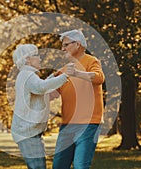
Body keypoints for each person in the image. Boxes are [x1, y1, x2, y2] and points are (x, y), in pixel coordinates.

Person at [52, 29, 105, 169]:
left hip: (88, 124)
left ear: (78, 44)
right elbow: (51, 94)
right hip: (67, 125)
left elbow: (99, 78)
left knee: (80, 165)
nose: (62, 49)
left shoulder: (91, 61)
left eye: (66, 45)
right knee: (58, 165)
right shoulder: (63, 70)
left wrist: (77, 73)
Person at [11, 44, 70, 169]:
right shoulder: (27, 75)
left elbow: (41, 87)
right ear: (27, 59)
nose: (40, 58)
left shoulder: (28, 75)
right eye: (36, 55)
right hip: (27, 132)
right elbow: (41, 87)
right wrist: (64, 76)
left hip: (29, 131)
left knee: (38, 166)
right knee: (37, 167)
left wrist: (54, 76)